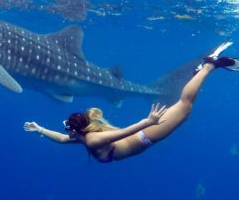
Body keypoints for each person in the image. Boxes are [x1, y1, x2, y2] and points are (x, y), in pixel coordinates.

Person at [24, 42, 239, 163]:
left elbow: (125, 132)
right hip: (144, 133)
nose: (67, 132)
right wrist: (39, 129)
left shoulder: (91, 141)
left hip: (147, 135)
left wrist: (149, 121)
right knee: (185, 108)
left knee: (185, 106)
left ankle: (210, 65)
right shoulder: (82, 137)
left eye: (68, 129)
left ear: (78, 131)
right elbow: (62, 139)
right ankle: (198, 74)